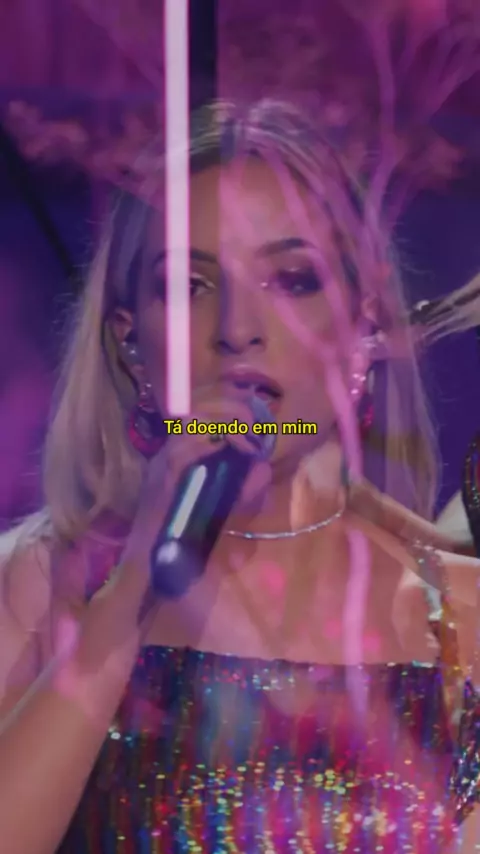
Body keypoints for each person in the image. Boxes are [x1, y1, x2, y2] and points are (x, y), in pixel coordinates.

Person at [0, 99, 479, 854]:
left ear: (363, 326)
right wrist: (131, 592)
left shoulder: (461, 618)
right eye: (188, 286)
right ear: (131, 343)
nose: (237, 330)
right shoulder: (40, 585)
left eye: (293, 279)